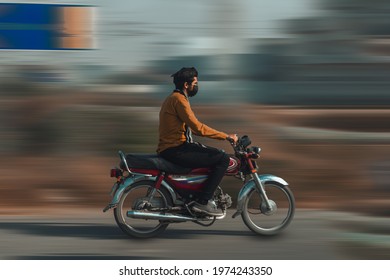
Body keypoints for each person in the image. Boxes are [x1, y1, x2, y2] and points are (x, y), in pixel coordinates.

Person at [157, 67, 238, 216]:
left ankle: (196, 195)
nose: (197, 86)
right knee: (223, 158)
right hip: (176, 149)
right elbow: (198, 128)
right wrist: (225, 136)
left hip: (173, 147)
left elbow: (193, 129)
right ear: (186, 85)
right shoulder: (179, 100)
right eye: (195, 82)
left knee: (213, 154)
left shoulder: (174, 98)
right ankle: (202, 202)